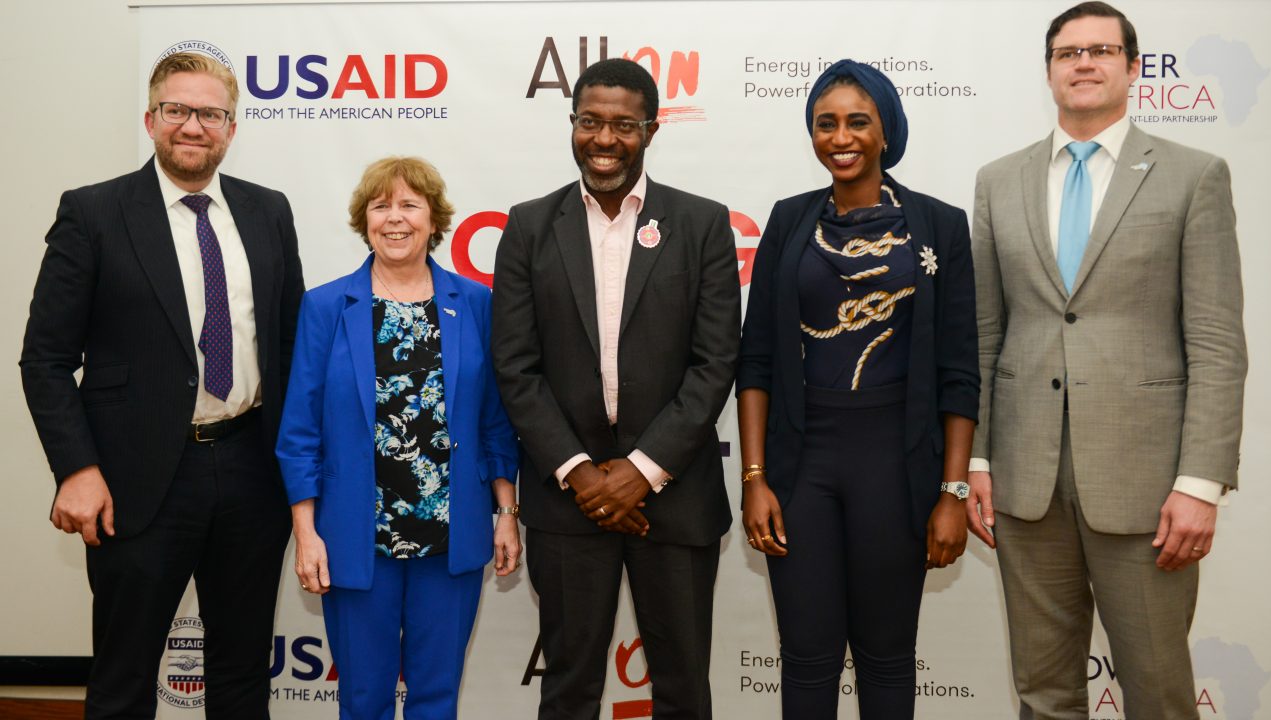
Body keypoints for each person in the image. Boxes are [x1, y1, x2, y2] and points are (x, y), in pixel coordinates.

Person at [966, 3, 1247, 718]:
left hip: (1149, 489)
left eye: (1101, 50)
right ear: (1050, 70)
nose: (1083, 63)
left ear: (1132, 65)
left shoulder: (1194, 175)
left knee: (1156, 693)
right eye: (1067, 52)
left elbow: (1216, 341)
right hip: (1027, 484)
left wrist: (1201, 482)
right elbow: (985, 335)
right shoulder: (1000, 181)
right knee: (1043, 694)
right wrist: (976, 461)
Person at [19, 52, 304, 719]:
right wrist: (77, 469)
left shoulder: (269, 212)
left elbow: (290, 345)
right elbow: (46, 358)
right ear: (151, 119)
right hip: (134, 480)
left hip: (251, 472)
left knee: (240, 683)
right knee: (122, 684)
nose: (192, 126)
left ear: (231, 128)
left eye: (210, 113)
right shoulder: (93, 213)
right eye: (177, 109)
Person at [490, 57, 740, 720]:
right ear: (572, 124)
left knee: (683, 688)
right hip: (565, 505)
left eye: (623, 125)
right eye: (590, 122)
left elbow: (715, 363)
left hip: (676, 497)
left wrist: (640, 470)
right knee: (569, 689)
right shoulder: (528, 226)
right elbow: (515, 366)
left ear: (651, 131)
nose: (605, 139)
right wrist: (581, 475)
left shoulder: (702, 224)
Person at [736, 60, 979, 719]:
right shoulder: (787, 222)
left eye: (857, 121)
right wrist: (754, 477)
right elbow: (755, 360)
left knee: (887, 659)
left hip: (896, 467)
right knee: (808, 663)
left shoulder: (940, 225)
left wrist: (953, 493)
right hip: (800, 466)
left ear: (886, 131)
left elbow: (960, 373)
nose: (840, 136)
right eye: (825, 123)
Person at [276, 156, 519, 720]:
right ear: (364, 220)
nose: (395, 218)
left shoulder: (476, 304)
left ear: (434, 219)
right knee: (364, 700)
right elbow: (299, 432)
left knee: (437, 699)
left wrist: (506, 510)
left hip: (450, 536)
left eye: (410, 204)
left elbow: (495, 422)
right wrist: (305, 532)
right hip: (353, 538)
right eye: (381, 206)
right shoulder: (326, 306)